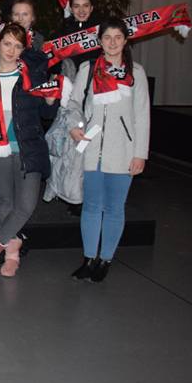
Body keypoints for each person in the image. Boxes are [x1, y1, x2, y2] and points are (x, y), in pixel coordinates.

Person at [67, 17, 150, 283]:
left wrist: (140, 153)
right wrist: (73, 126)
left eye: (117, 37)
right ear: (99, 41)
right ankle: (89, 258)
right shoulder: (88, 69)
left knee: (114, 208)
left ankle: (105, 259)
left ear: (125, 41)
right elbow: (73, 104)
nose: (112, 43)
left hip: (123, 151)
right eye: (107, 37)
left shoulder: (136, 73)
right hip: (92, 150)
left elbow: (142, 115)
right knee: (91, 206)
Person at [0, 24, 57, 277]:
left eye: (18, 46)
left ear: (24, 49)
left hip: (28, 147)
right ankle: (11, 254)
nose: (12, 50)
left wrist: (51, 102)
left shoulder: (33, 74)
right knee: (5, 202)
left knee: (26, 205)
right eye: (7, 44)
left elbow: (47, 113)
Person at [56, 0, 101, 79]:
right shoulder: (62, 32)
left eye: (85, 6)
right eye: (76, 6)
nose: (81, 10)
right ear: (71, 9)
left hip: (95, 78)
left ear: (91, 8)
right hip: (69, 80)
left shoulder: (101, 30)